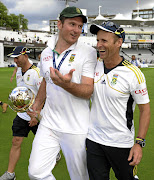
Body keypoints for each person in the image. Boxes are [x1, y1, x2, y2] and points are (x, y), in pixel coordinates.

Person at [28, 6, 97, 180]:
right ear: (59, 24)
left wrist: (66, 84)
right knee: (36, 172)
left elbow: (88, 91)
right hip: (49, 124)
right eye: (72, 24)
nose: (76, 30)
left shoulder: (88, 52)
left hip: (76, 127)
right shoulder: (45, 52)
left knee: (81, 177)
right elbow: (46, 79)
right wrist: (37, 105)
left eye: (80, 26)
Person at [86, 21, 150, 180]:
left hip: (122, 144)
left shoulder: (133, 73)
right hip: (94, 141)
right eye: (98, 40)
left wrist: (139, 143)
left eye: (104, 41)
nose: (99, 45)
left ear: (119, 43)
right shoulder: (94, 66)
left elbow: (145, 110)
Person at [0, 46, 43, 180]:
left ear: (25, 56)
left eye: (17, 57)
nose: (15, 60)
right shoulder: (19, 71)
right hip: (22, 115)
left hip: (37, 116)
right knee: (16, 141)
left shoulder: (37, 72)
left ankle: (53, 155)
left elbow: (44, 95)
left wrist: (37, 115)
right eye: (14, 57)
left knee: (42, 144)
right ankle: (10, 174)